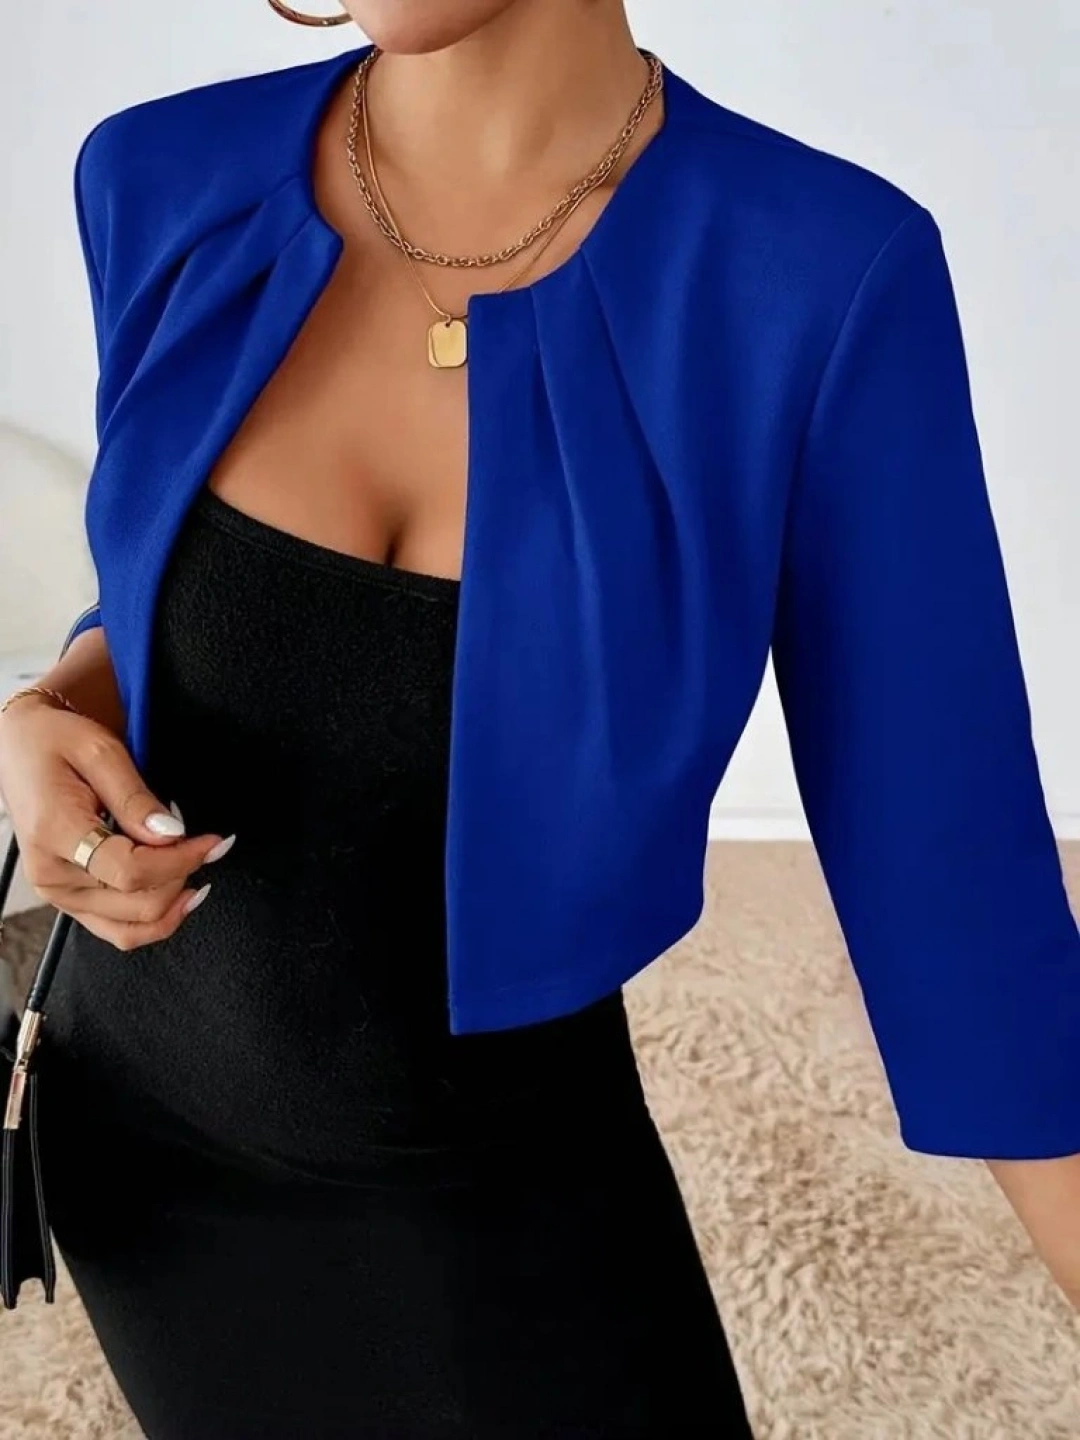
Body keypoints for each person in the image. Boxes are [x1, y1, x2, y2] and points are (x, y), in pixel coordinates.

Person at [1, 1, 1079, 1435]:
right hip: (145, 1152)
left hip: (501, 1200)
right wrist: (53, 705)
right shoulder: (155, 173)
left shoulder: (820, 275)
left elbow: (951, 889)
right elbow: (182, 594)